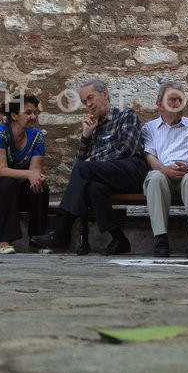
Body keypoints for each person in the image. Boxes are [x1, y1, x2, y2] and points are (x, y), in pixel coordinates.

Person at [30, 79, 148, 255]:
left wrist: (93, 160)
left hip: (132, 171)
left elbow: (125, 148)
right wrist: (86, 135)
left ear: (104, 95)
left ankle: (62, 231)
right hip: (107, 177)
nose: (88, 104)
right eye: (85, 102)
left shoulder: (125, 115)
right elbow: (78, 167)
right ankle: (119, 239)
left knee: (86, 170)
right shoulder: (94, 125)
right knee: (94, 188)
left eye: (90, 98)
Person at [0, 94, 49, 255]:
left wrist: (36, 177)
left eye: (35, 112)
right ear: (14, 115)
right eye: (28, 112)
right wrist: (29, 174)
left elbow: (35, 168)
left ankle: (37, 240)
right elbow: (1, 170)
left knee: (40, 188)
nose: (33, 116)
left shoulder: (37, 136)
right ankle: (2, 241)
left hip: (16, 187)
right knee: (6, 183)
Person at [141, 81, 188, 258]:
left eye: (180, 99)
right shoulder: (149, 128)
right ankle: (160, 238)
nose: (177, 103)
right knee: (154, 178)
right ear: (160, 104)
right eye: (172, 99)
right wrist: (164, 169)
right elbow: (149, 156)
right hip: (163, 173)